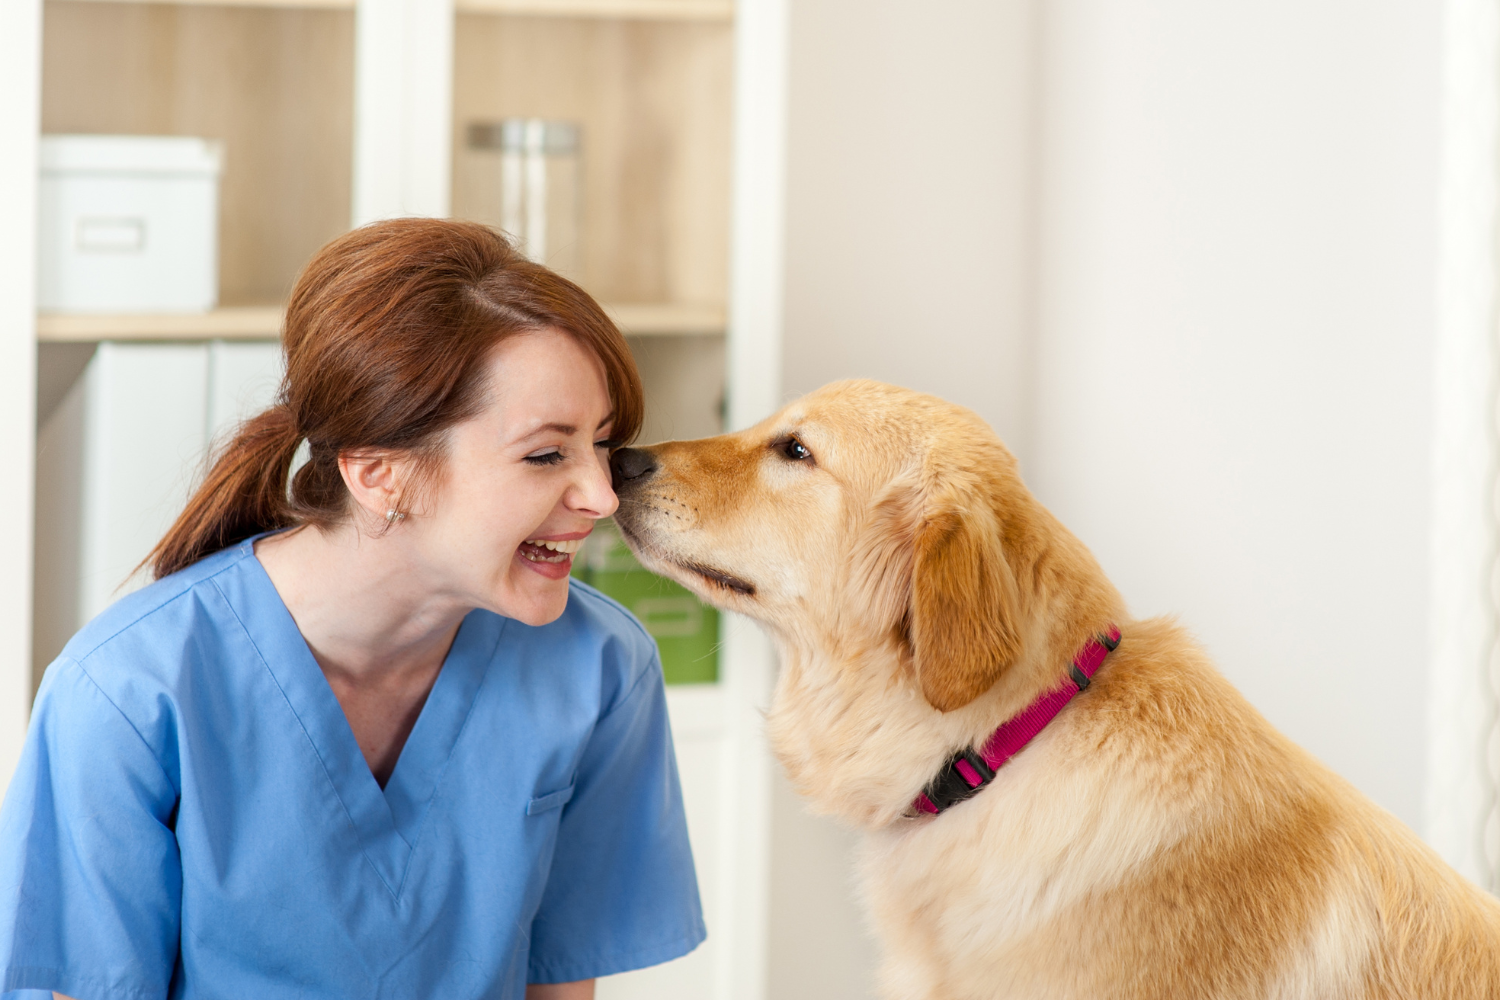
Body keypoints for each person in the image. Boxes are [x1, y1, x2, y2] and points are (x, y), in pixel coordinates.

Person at [0, 219, 705, 1000]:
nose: (603, 496)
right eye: (547, 454)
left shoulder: (601, 668)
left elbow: (561, 984)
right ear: (379, 474)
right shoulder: (127, 693)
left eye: (602, 446)